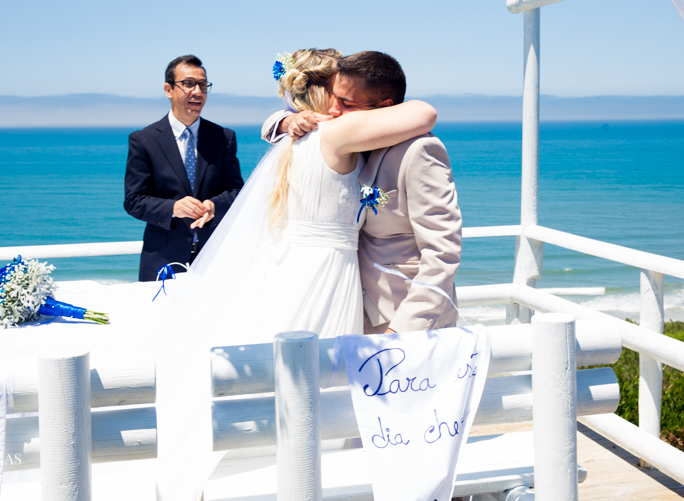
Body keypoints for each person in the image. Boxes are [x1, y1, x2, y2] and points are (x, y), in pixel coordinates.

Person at [154, 48, 439, 500]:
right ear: (326, 91)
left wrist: (285, 119)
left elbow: (281, 123)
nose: (344, 103)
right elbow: (425, 112)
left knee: (282, 387)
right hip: (328, 273)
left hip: (291, 267)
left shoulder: (295, 136)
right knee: (319, 392)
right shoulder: (336, 131)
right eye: (340, 91)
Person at [261, 50, 462, 335]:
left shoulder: (419, 150)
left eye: (345, 102)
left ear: (387, 106)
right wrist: (284, 120)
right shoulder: (346, 141)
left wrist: (404, 330)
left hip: (401, 319)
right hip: (347, 306)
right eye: (333, 97)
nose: (333, 110)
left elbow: (442, 251)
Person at [123, 54, 244, 281]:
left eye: (202, 85)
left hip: (215, 258)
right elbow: (133, 201)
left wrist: (214, 206)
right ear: (169, 90)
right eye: (188, 84)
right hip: (162, 260)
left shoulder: (223, 137)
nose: (197, 91)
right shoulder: (143, 140)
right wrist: (174, 208)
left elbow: (237, 191)